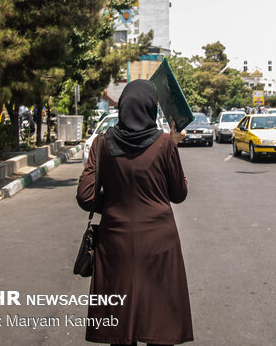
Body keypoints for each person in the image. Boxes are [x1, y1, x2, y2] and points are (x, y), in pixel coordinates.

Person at [77, 80, 193, 346]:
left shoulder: (102, 144)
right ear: (151, 109)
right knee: (160, 322)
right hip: (160, 244)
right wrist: (173, 147)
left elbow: (86, 197)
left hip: (115, 243)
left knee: (121, 326)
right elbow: (179, 194)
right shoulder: (165, 144)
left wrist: (115, 202)